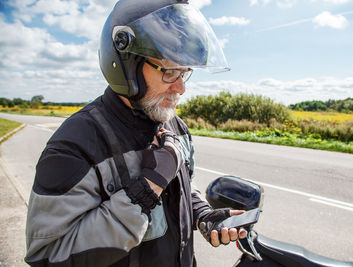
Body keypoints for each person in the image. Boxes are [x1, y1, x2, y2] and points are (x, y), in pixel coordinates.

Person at [24, 0, 247, 266]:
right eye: (170, 71)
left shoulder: (174, 125)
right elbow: (48, 255)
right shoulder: (75, 144)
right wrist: (146, 188)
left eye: (184, 73)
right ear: (127, 63)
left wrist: (202, 214)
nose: (180, 88)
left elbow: (184, 186)